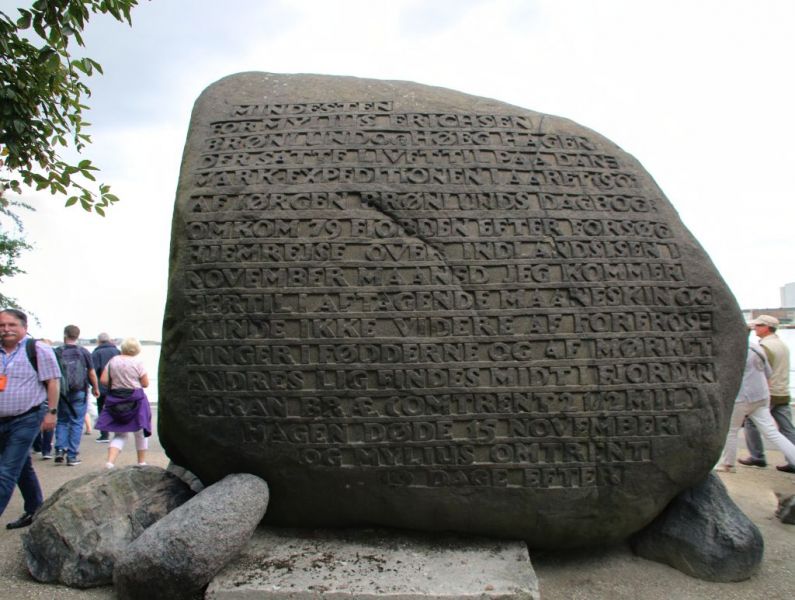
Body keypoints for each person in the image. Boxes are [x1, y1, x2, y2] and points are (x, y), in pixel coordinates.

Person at [0, 309, 61, 529]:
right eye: (2, 325)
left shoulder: (38, 349)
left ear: (24, 327)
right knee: (22, 466)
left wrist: (51, 413)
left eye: (11, 325)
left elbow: (53, 382)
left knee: (6, 471)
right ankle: (35, 510)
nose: (6, 329)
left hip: (27, 417)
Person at [715, 339, 795, 472]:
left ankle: (727, 464)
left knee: (731, 431)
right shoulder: (757, 348)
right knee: (772, 432)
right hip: (761, 395)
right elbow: (768, 373)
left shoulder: (733, 350)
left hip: (741, 396)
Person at [739, 315, 795, 472]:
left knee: (751, 423)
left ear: (766, 327)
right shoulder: (782, 345)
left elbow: (760, 372)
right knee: (787, 428)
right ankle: (792, 460)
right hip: (782, 391)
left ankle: (757, 456)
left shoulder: (763, 347)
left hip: (767, 393)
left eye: (758, 325)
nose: (755, 328)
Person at [94, 338, 152, 468]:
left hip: (116, 398)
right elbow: (145, 383)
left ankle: (110, 462)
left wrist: (116, 384)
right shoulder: (138, 362)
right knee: (140, 432)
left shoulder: (113, 361)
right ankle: (141, 462)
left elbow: (103, 380)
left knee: (120, 434)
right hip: (136, 399)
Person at [53, 325, 99, 466]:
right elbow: (91, 372)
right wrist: (95, 388)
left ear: (64, 335)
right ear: (78, 336)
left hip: (62, 391)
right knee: (77, 422)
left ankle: (60, 449)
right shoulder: (83, 352)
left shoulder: (56, 352)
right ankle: (72, 455)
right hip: (79, 390)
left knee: (62, 420)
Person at [91, 332, 120, 442]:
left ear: (99, 341)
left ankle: (104, 434)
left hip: (101, 386)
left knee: (102, 410)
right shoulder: (117, 351)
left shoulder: (96, 353)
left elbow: (92, 371)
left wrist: (93, 386)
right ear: (110, 340)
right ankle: (118, 432)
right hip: (117, 386)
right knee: (116, 408)